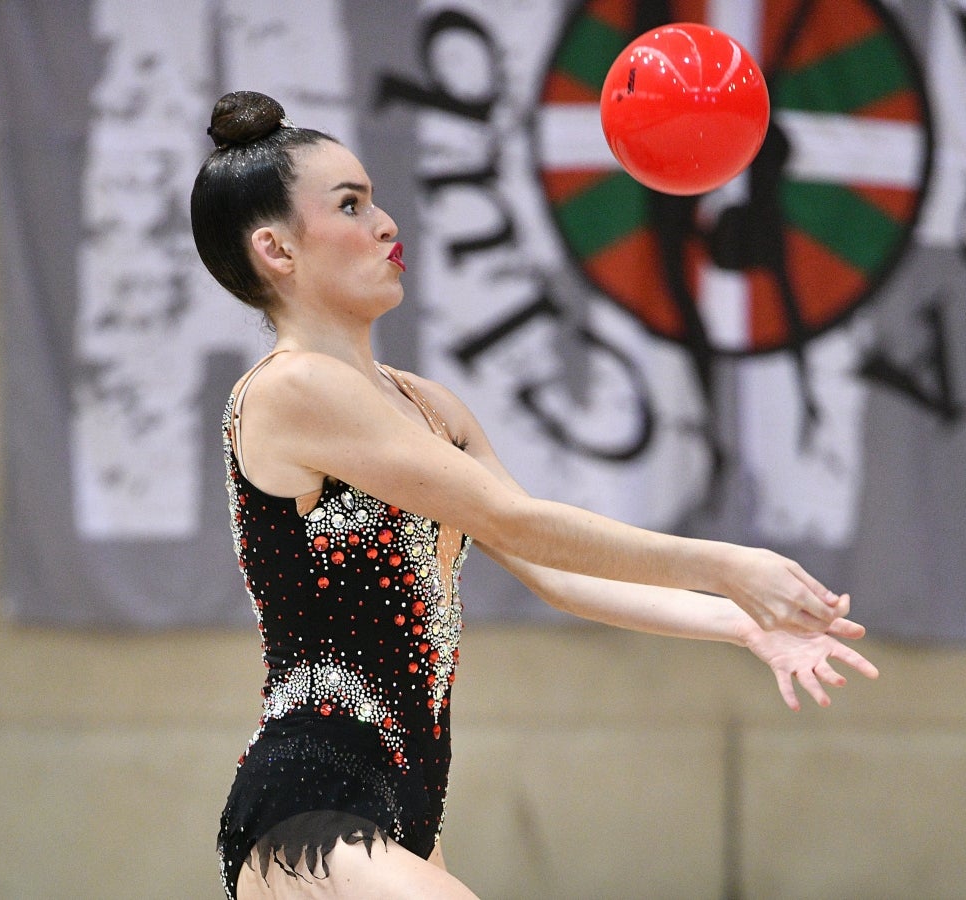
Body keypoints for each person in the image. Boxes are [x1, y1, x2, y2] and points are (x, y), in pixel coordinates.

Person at [192, 90, 878, 900]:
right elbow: (512, 518)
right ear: (276, 250)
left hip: (408, 809)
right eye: (350, 205)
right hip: (306, 808)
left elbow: (555, 572)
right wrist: (728, 564)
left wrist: (744, 623)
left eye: (376, 198)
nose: (386, 224)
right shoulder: (292, 388)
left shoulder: (430, 407)